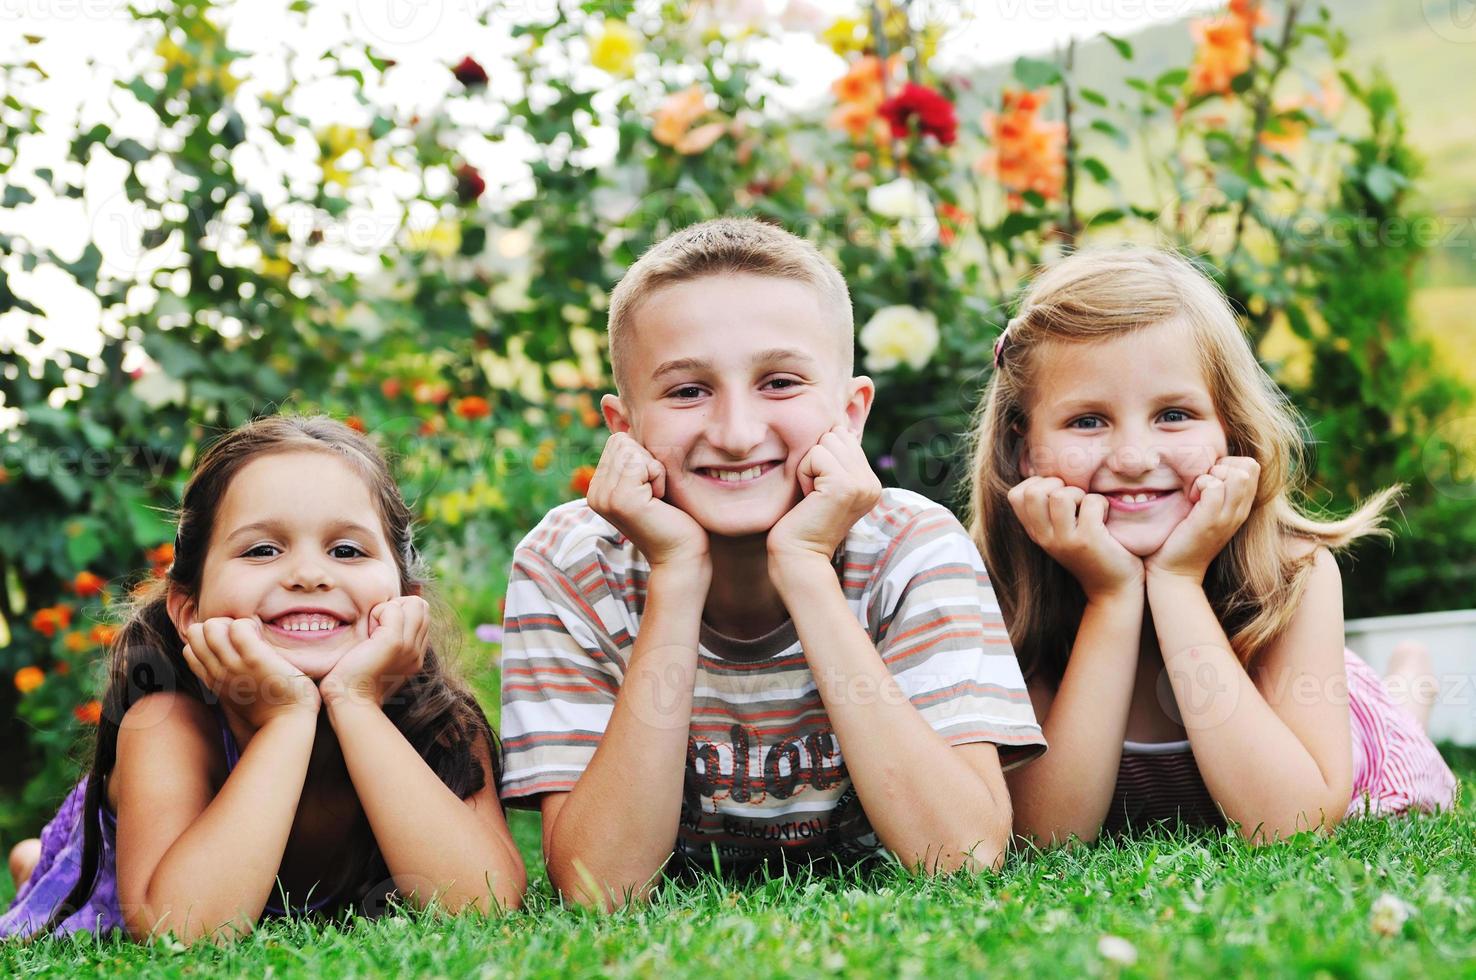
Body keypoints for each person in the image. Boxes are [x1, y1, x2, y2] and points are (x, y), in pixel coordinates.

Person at [498, 217, 1044, 908]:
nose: (736, 433)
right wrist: (676, 574)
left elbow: (960, 858)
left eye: (780, 382)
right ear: (624, 428)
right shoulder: (568, 566)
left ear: (850, 414)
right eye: (687, 390)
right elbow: (600, 888)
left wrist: (807, 566)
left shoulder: (912, 547)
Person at [967, 245, 1457, 846]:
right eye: (1087, 421)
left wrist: (1175, 584)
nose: (1134, 459)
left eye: (1174, 414)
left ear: (1232, 429)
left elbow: (1288, 826)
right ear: (1023, 448)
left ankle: (1409, 687)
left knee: (1395, 723)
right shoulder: (1004, 589)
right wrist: (1112, 597)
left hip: (1335, 736)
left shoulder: (1294, 573)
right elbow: (1048, 838)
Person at [3, 416, 525, 942]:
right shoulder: (169, 725)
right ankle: (38, 858)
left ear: (406, 598)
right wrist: (286, 718)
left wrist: (356, 702)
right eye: (261, 550)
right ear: (190, 611)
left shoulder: (439, 723)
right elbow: (183, 933)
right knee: (49, 869)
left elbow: (484, 907)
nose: (307, 574)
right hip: (114, 876)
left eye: (347, 550)